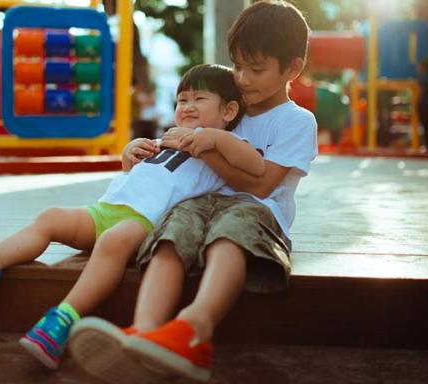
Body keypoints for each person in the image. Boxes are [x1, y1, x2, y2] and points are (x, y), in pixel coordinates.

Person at [0, 64, 263, 370]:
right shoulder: (166, 138)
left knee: (113, 241)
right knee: (51, 216)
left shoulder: (222, 148)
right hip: (105, 211)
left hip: (144, 223)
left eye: (199, 99)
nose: (186, 107)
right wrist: (130, 153)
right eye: (181, 100)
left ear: (229, 110)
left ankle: (62, 320)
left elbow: (254, 164)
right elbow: (141, 172)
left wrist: (210, 137)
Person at [68, 1, 317, 383]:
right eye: (237, 66)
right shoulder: (232, 108)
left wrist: (205, 145)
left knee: (227, 238)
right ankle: (145, 333)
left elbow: (263, 183)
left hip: (257, 210)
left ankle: (193, 330)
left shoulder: (297, 121)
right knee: (169, 235)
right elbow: (179, 146)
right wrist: (140, 152)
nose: (243, 78)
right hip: (201, 202)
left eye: (257, 69)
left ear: (293, 68)